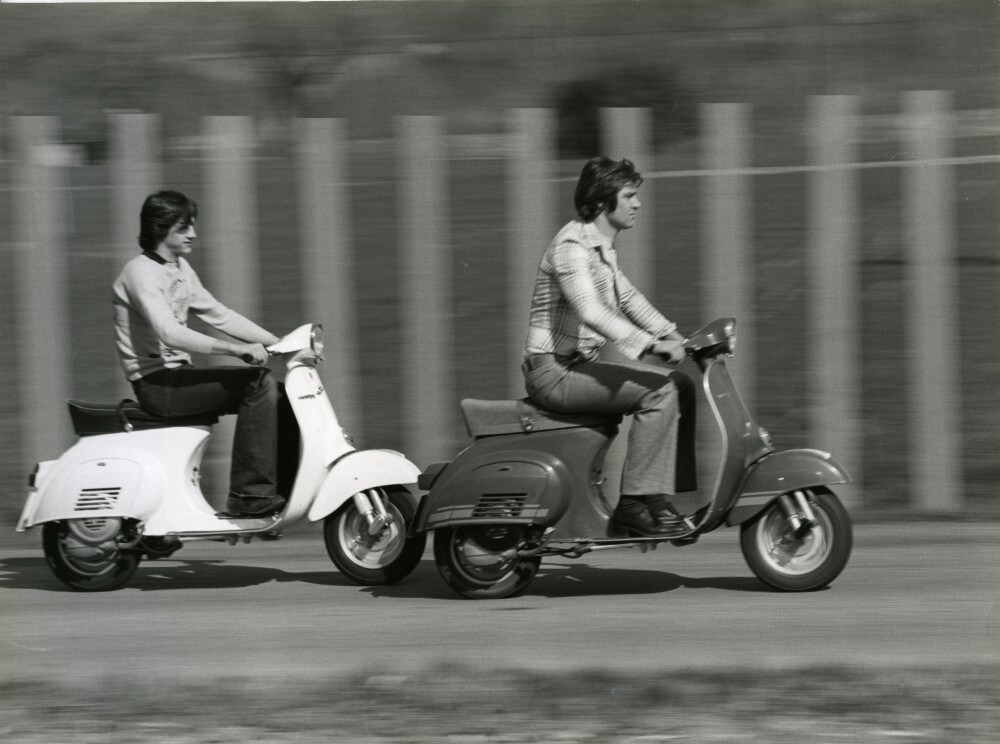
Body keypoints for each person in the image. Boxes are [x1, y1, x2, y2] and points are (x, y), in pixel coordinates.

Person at [522, 156, 697, 537]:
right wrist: (652, 346)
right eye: (629, 196)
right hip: (553, 373)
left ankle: (656, 496)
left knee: (679, 385)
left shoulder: (600, 246)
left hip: (575, 367)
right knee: (660, 393)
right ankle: (633, 504)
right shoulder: (571, 247)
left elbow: (629, 298)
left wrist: (676, 336)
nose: (638, 204)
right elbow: (591, 311)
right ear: (603, 201)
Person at [112, 190, 286, 518]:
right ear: (160, 228)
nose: (193, 234)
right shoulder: (140, 273)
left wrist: (280, 344)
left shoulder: (179, 267)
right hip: (156, 384)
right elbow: (169, 332)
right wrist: (236, 350)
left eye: (192, 225)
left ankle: (278, 490)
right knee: (259, 384)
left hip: (178, 376)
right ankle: (249, 496)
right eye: (184, 227)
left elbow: (219, 314)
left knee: (280, 394)